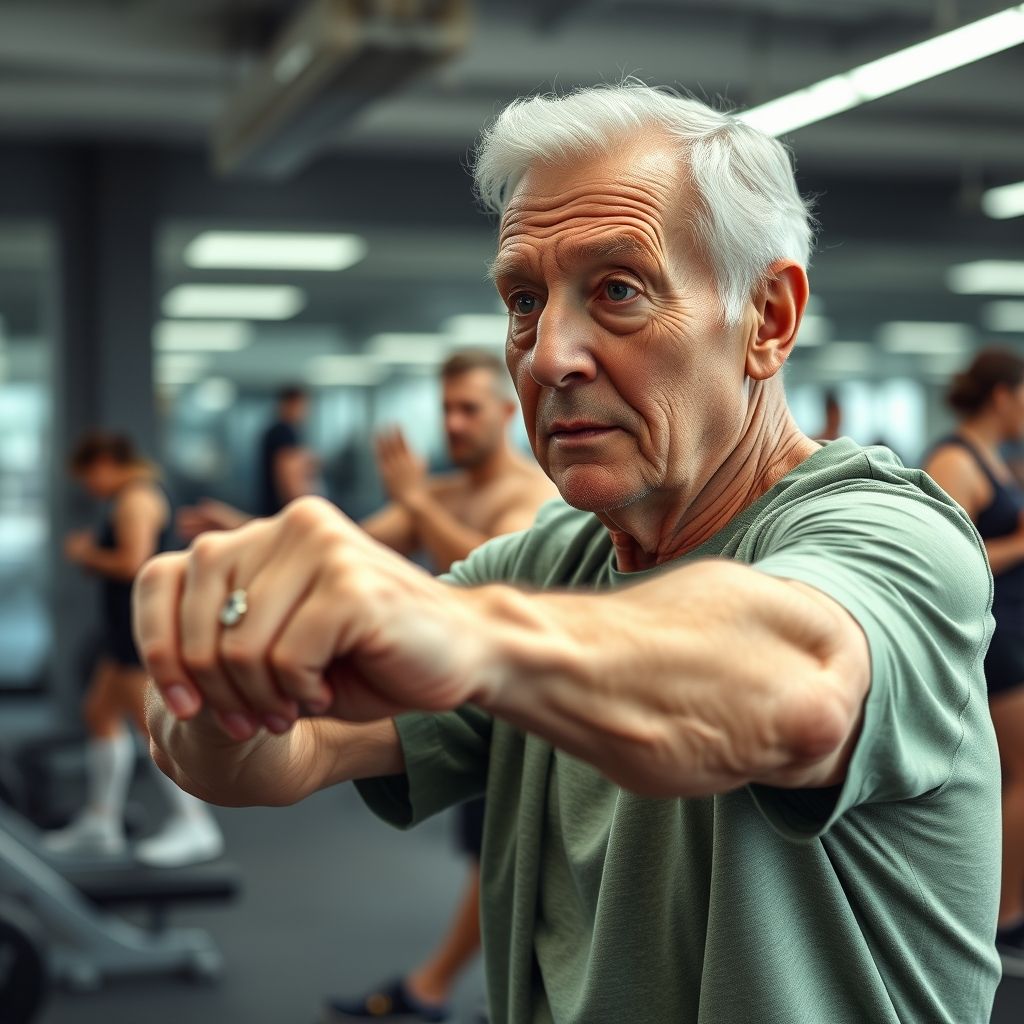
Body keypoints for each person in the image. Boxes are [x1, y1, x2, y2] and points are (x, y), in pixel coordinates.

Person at [137, 82, 1002, 1023]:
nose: (549, 355)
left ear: (769, 320)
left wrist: (459, 633)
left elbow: (796, 688)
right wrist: (212, 676)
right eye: (523, 300)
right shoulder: (547, 560)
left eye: (618, 290)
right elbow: (274, 761)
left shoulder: (891, 531)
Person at [44, 432, 223, 867]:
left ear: (105, 462)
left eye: (88, 475)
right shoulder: (131, 497)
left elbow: (133, 562)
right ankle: (102, 823)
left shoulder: (137, 499)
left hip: (140, 627)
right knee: (99, 712)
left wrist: (87, 553)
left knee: (151, 729)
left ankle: (196, 823)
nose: (88, 486)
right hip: (124, 627)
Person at [924, 348, 1024, 977]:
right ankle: (1000, 916)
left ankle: (1007, 909)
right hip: (996, 641)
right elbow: (947, 564)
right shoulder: (956, 460)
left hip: (1014, 633)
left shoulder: (999, 462)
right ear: (1002, 396)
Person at [258, 384, 318, 516]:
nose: (305, 412)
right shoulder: (284, 432)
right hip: (282, 510)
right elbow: (287, 474)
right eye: (302, 406)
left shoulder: (275, 431)